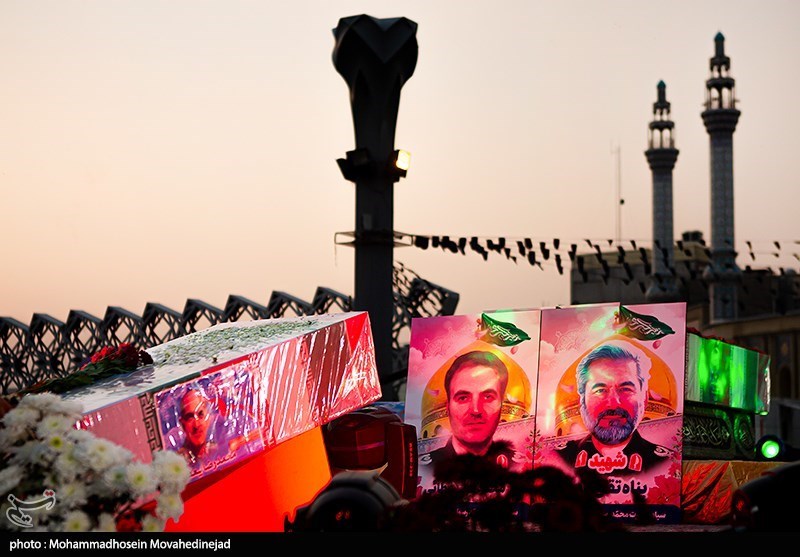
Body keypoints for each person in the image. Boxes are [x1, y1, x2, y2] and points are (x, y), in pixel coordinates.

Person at [553, 342, 672, 475]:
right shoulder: (557, 459)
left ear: (644, 399)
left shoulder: (666, 463)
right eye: (600, 390)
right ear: (582, 401)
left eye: (625, 389)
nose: (613, 403)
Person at [423, 350, 515, 469]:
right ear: (448, 408)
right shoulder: (424, 469)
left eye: (488, 397)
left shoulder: (520, 467)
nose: (476, 410)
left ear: (501, 405)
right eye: (463, 398)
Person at [176, 387, 218, 466]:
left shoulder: (219, 450)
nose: (196, 425)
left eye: (201, 414)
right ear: (182, 424)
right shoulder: (178, 463)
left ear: (208, 417)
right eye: (190, 417)